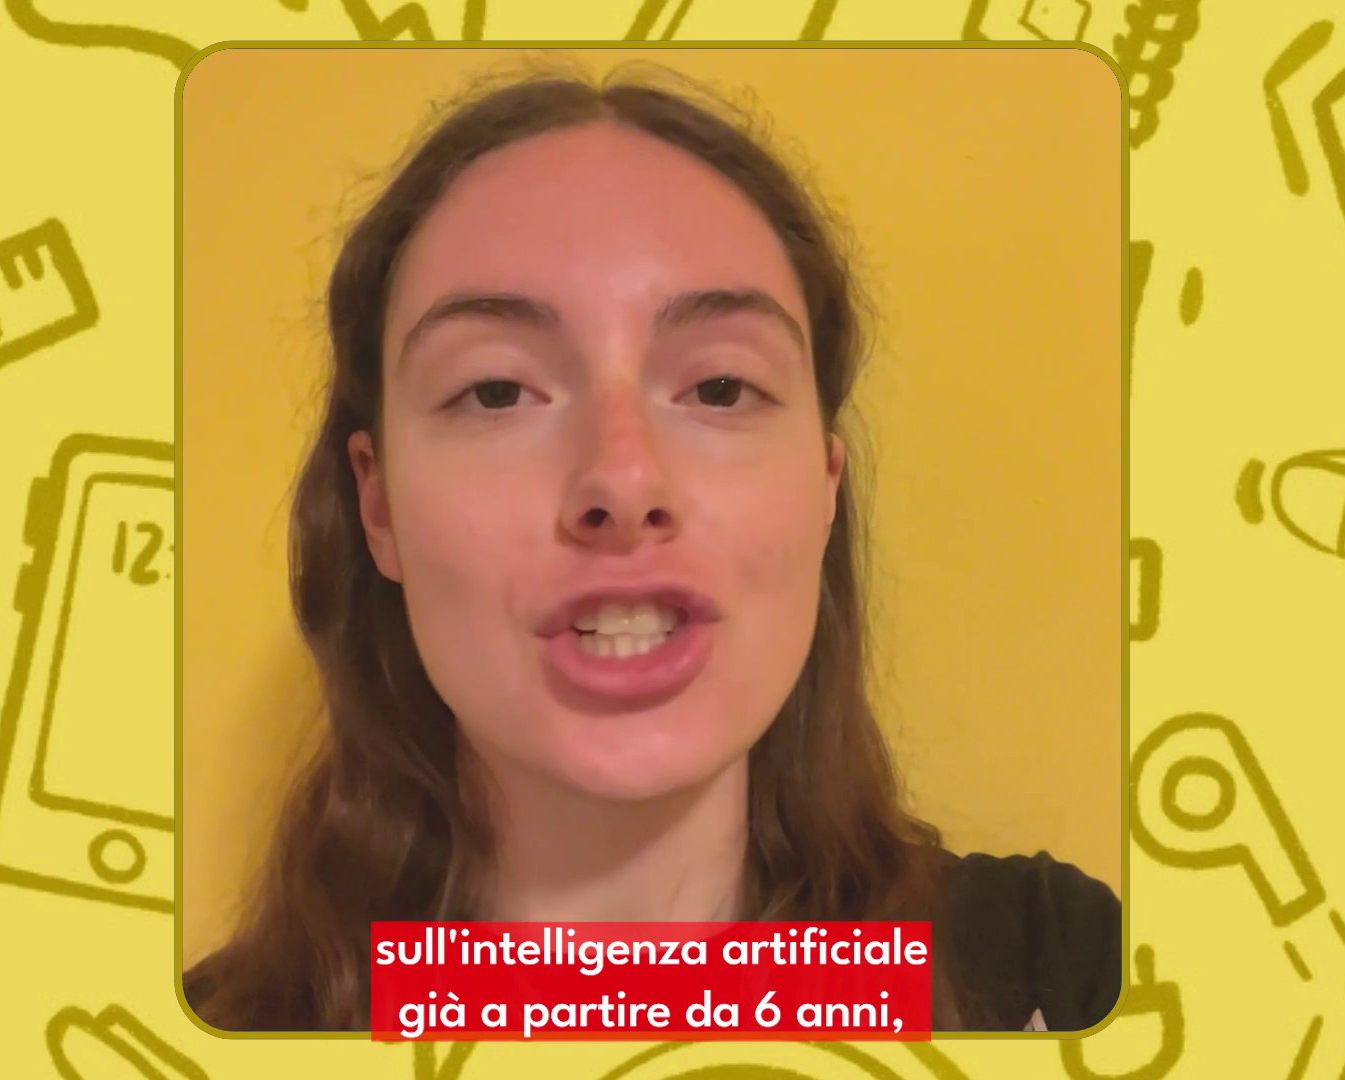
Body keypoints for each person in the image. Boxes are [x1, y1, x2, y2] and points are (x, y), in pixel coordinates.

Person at [181, 55, 1121, 1033]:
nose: (624, 481)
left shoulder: (1066, 982)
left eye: (720, 388)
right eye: (496, 392)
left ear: (824, 487)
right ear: (377, 505)